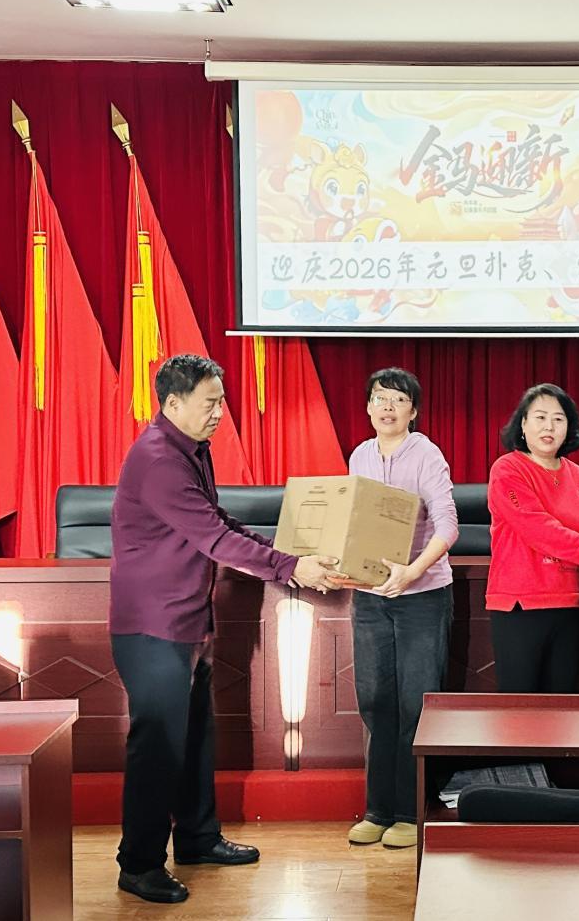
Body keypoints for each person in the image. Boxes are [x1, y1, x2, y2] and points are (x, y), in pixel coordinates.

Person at [109, 354, 343, 904]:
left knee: (194, 739)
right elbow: (214, 540)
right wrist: (291, 567)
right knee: (158, 747)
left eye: (221, 401)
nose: (219, 412)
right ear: (172, 403)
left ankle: (196, 838)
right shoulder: (159, 458)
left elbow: (219, 522)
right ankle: (138, 864)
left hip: (188, 620)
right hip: (153, 627)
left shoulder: (192, 449)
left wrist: (285, 552)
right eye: (209, 402)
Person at [345, 367, 459, 850]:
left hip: (422, 596)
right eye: (379, 398)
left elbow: (448, 524)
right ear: (368, 407)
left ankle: (411, 812)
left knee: (416, 704)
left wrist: (412, 571)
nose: (387, 406)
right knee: (374, 701)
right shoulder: (360, 455)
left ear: (413, 410)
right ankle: (377, 810)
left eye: (398, 399)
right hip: (371, 597)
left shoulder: (426, 454)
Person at [486, 383, 579, 692]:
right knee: (518, 708)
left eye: (558, 419)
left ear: (569, 427)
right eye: (540, 417)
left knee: (563, 706)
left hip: (573, 604)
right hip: (520, 605)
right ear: (523, 424)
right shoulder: (508, 469)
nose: (549, 427)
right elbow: (538, 529)